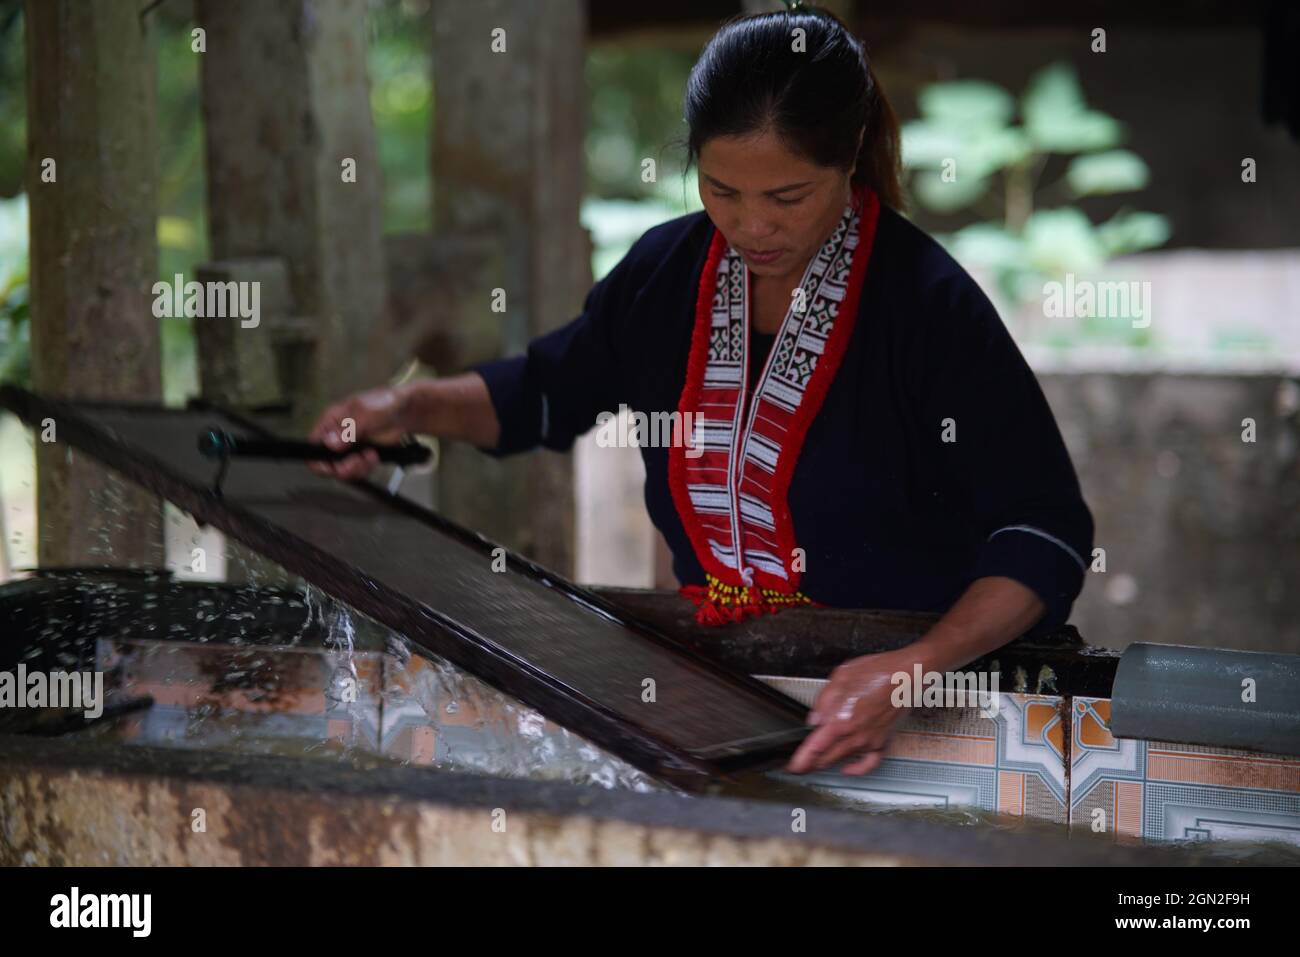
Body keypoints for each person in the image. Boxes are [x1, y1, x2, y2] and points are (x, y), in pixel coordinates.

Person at [309, 7, 1094, 778]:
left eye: (787, 198)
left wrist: (915, 667)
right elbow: (547, 389)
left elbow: (1044, 532)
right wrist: (407, 407)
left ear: (851, 153)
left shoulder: (926, 306)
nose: (753, 227)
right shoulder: (665, 274)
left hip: (920, 712)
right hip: (713, 688)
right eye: (722, 190)